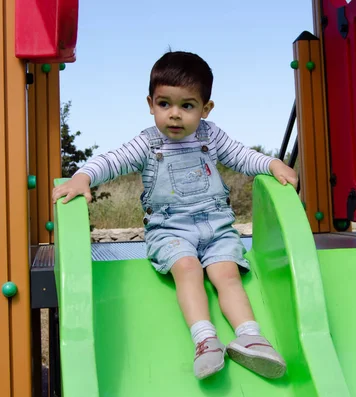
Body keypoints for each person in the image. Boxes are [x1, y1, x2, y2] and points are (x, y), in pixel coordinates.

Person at [52, 51, 298, 380]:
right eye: (164, 104)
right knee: (187, 268)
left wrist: (271, 163)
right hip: (170, 231)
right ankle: (205, 339)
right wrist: (82, 177)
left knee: (226, 274)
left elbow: (241, 156)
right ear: (151, 103)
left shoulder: (210, 136)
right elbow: (111, 161)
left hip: (216, 227)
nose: (175, 116)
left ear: (205, 109)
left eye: (187, 106)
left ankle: (250, 337)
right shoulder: (147, 143)